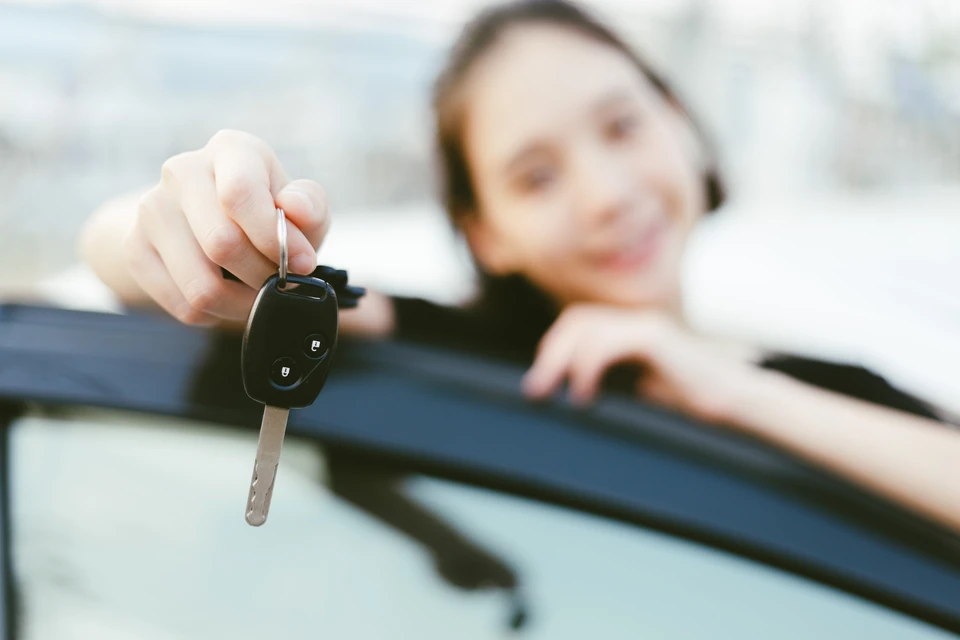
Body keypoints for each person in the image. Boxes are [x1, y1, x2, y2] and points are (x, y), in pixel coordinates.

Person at [79, 0, 960, 533]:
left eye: (622, 126)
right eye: (535, 176)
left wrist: (731, 391)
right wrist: (164, 227)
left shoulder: (831, 394)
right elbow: (197, 285)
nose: (608, 195)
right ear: (485, 231)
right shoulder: (469, 356)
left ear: (680, 121)